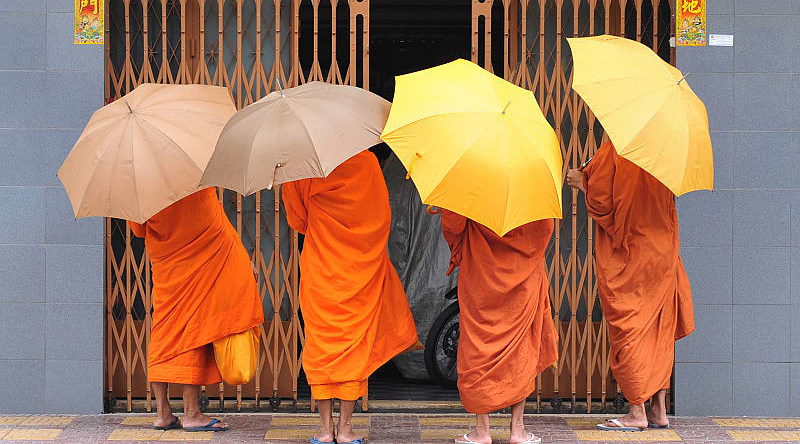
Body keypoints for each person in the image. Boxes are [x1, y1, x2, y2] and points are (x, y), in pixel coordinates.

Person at [281, 150, 421, 444]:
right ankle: (345, 429)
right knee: (354, 345)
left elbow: (297, 219)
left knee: (321, 345)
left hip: (322, 268)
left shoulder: (303, 164)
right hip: (360, 269)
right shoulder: (367, 162)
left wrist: (323, 227)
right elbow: (382, 215)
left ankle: (324, 428)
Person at [566, 141, 694, 431]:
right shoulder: (668, 151)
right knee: (657, 329)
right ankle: (658, 408)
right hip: (662, 250)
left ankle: (637, 411)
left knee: (631, 327)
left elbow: (603, 202)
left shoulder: (617, 148)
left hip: (632, 251)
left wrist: (581, 181)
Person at [129, 187, 264, 432]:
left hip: (168, 263)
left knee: (165, 334)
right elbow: (215, 222)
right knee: (193, 332)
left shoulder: (141, 183)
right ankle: (191, 413)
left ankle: (162, 413)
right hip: (204, 259)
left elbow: (139, 229)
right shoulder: (197, 177)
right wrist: (243, 260)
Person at [438, 209, 558, 444]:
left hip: (480, 274)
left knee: (480, 346)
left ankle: (482, 431)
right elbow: (545, 230)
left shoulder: (472, 179)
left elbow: (453, 226)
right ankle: (518, 430)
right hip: (523, 278)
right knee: (521, 349)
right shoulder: (532, 185)